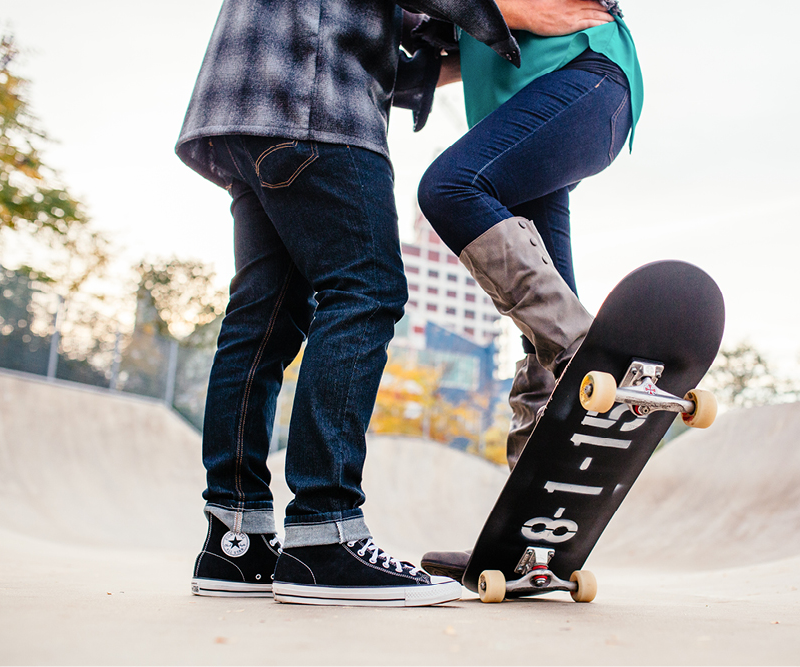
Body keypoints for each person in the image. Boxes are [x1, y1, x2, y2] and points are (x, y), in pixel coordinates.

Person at [177, 0, 608, 608]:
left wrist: (467, 48)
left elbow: (391, 52)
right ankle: (323, 537)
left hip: (237, 113)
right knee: (365, 289)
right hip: (317, 106)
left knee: (262, 320)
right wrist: (512, 12)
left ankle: (235, 543)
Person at [413, 0, 643, 579]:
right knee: (542, 325)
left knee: (450, 187)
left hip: (584, 80)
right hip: (526, 114)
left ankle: (585, 349)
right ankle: (523, 539)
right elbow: (443, 52)